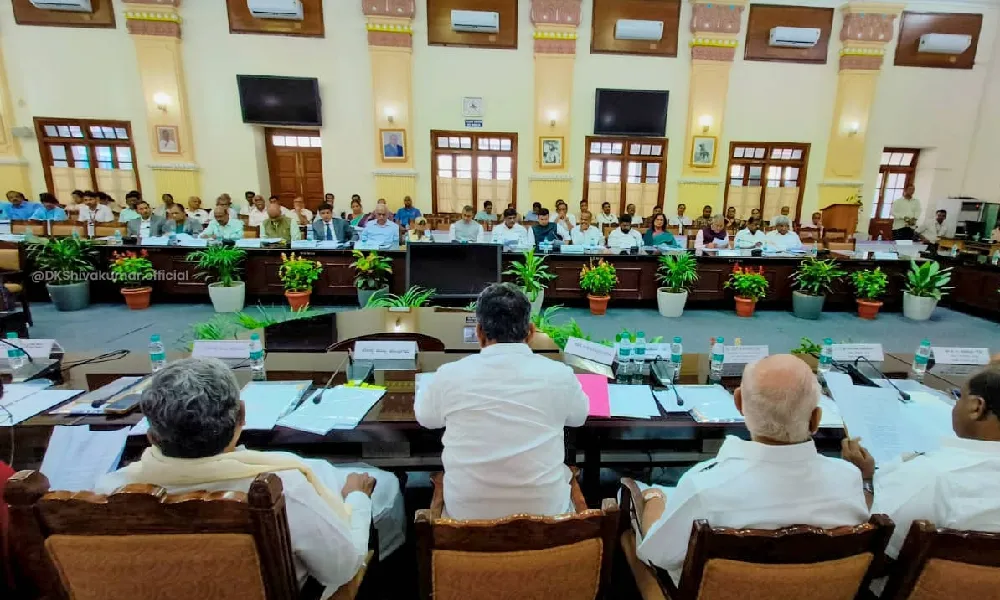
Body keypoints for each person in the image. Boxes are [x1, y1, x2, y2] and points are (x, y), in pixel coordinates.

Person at [95, 358, 405, 592]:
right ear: (242, 415)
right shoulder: (282, 487)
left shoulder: (111, 493)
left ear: (152, 436)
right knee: (378, 484)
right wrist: (357, 499)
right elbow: (341, 570)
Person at [635, 355, 870, 585]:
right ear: (815, 419)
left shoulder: (704, 487)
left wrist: (654, 499)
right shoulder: (849, 480)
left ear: (738, 403)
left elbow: (657, 555)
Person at [416, 284, 588, 519]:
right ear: (531, 332)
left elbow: (426, 418)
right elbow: (579, 417)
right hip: (548, 523)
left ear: (478, 332)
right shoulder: (559, 374)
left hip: (465, 524)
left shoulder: (449, 374)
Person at [845, 366, 1000, 563]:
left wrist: (865, 479)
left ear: (976, 407)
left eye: (959, 397)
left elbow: (872, 542)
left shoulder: (934, 476)